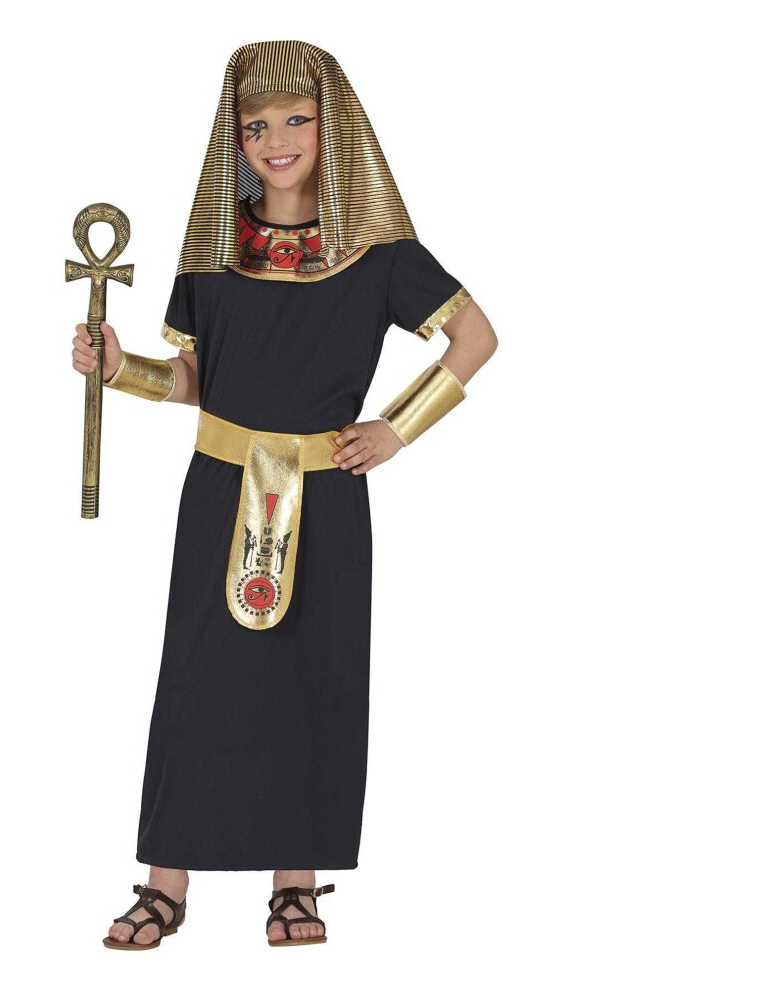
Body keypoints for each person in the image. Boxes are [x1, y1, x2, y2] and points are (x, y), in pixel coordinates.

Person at [70, 39, 498, 949]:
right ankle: (166, 882)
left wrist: (396, 428)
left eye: (296, 120)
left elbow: (477, 337)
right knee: (197, 680)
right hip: (221, 487)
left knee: (313, 678)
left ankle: (294, 884)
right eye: (256, 126)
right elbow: (195, 381)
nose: (277, 141)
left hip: (327, 494)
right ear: (235, 139)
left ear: (331, 127)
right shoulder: (215, 252)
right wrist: (120, 370)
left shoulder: (378, 253)